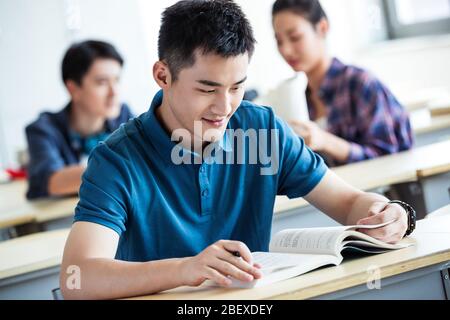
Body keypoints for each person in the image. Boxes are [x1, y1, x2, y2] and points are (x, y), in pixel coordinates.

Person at [60, 0, 414, 300]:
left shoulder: (262, 129)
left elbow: (349, 203)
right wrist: (187, 269)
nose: (224, 107)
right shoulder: (116, 159)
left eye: (237, 86)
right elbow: (77, 279)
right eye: (207, 88)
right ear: (163, 75)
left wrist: (386, 213)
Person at [272, 0, 413, 166]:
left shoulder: (360, 84)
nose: (286, 50)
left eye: (295, 37)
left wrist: (326, 141)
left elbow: (388, 156)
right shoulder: (302, 99)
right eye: (279, 41)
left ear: (322, 28)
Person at [25, 40, 133, 199]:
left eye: (117, 80)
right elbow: (52, 181)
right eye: (102, 82)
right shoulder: (43, 129)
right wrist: (119, 165)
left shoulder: (124, 116)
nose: (114, 92)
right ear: (73, 88)